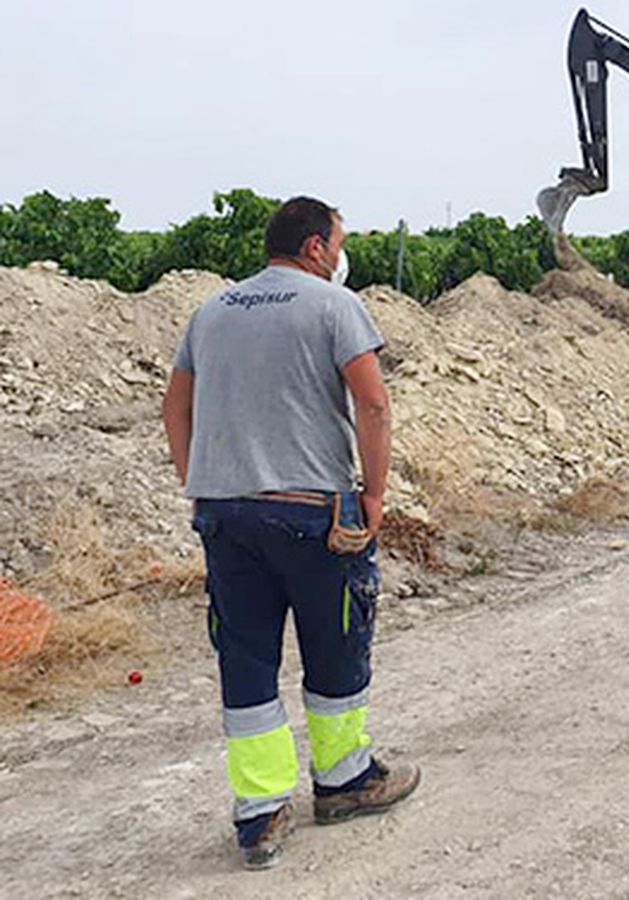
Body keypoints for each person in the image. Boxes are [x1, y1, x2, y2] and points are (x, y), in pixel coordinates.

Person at [161, 196, 420, 870]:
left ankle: (260, 813)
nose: (341, 255)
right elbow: (372, 402)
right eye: (338, 242)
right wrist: (376, 494)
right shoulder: (333, 306)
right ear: (313, 247)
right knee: (334, 650)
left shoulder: (211, 311)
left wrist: (201, 482)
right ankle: (343, 780)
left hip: (227, 512)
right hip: (312, 514)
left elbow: (176, 404)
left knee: (246, 661)